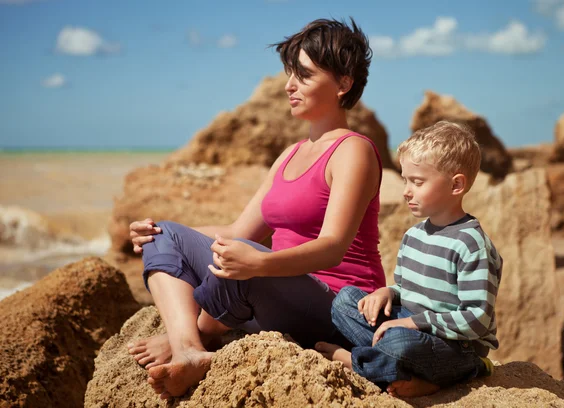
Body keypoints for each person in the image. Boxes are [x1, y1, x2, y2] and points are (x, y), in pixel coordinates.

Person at [126, 18, 387, 400]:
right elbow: (236, 232)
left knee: (244, 265)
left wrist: (258, 264)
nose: (289, 86)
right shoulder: (290, 155)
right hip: (277, 290)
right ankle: (188, 347)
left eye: (305, 75)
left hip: (337, 306)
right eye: (289, 74)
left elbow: (333, 245)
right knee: (164, 233)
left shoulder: (353, 151)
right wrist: (164, 235)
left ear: (344, 83)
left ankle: (190, 336)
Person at [316, 121, 503, 398]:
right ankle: (403, 370)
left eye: (417, 182)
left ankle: (358, 362)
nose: (406, 190)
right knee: (344, 302)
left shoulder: (471, 244)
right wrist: (387, 292)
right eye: (405, 180)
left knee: (399, 342)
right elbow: (407, 291)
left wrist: (412, 324)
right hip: (411, 325)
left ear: (456, 185)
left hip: (456, 344)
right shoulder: (414, 235)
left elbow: (476, 319)